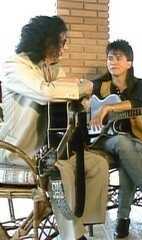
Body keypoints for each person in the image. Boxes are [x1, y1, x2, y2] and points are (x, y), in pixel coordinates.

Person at [0, 16, 109, 240]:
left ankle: (80, 220)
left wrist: (83, 96)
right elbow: (45, 93)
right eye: (60, 42)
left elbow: (75, 99)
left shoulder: (52, 69)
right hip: (17, 151)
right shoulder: (14, 65)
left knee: (97, 164)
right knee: (61, 173)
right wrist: (83, 88)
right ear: (43, 41)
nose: (63, 48)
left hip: (49, 149)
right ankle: (74, 236)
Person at [90, 39, 142, 238]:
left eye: (118, 58)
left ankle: (123, 220)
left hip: (135, 136)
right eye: (109, 58)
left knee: (129, 154)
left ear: (129, 63)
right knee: (124, 145)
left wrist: (109, 107)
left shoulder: (138, 84)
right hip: (106, 138)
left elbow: (135, 104)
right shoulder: (99, 85)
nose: (112, 62)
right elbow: (86, 104)